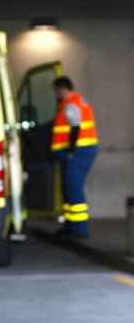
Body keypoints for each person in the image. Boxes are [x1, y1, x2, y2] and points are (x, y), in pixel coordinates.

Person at [51, 77, 99, 238]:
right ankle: (70, 226)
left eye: (56, 91)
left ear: (62, 89)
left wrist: (70, 151)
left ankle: (79, 230)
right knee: (68, 189)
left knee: (73, 188)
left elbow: (75, 127)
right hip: (79, 151)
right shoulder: (75, 102)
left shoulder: (71, 103)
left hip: (79, 152)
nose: (55, 94)